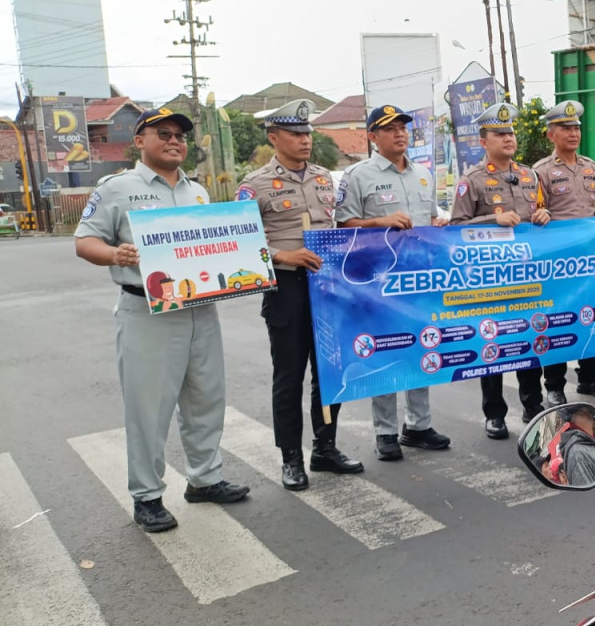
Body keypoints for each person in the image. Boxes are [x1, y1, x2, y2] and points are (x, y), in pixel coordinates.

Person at [74, 107, 249, 533]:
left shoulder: (200, 193)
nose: (175, 141)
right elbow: (84, 241)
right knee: (149, 407)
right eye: (164, 134)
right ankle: (147, 496)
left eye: (181, 136)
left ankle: (204, 479)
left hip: (200, 310)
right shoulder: (117, 189)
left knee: (206, 398)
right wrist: (115, 254)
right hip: (147, 311)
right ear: (140, 141)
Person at [238, 99, 364, 491]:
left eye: (307, 133)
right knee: (290, 376)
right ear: (274, 137)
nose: (304, 140)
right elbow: (240, 241)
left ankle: (324, 447)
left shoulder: (326, 178)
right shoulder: (254, 184)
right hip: (287, 287)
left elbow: (342, 225)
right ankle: (290, 456)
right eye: (295, 134)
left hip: (328, 288)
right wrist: (281, 255)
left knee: (331, 371)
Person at [335, 104, 451, 461]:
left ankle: (418, 425)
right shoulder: (358, 175)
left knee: (422, 346)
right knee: (383, 351)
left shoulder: (423, 175)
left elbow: (430, 216)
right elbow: (342, 226)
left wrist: (439, 225)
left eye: (403, 127)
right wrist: (379, 222)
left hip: (419, 278)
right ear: (372, 136)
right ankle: (385, 431)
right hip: (378, 281)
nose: (400, 133)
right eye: (390, 128)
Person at [449, 101, 552, 439]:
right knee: (491, 344)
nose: (508, 138)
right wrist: (493, 219)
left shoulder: (528, 175)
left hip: (526, 274)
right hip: (490, 278)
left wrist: (543, 215)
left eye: (510, 132)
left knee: (530, 338)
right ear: (483, 141)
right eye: (499, 133)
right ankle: (494, 413)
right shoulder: (472, 180)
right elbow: (457, 227)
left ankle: (533, 404)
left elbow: (540, 210)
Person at [531, 99, 595, 405]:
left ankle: (589, 377)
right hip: (558, 263)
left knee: (589, 317)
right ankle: (554, 384)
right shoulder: (540, 172)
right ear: (551, 134)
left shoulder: (591, 167)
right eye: (565, 127)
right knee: (557, 321)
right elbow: (535, 214)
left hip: (589, 260)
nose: (573, 133)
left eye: (576, 127)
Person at [542, 407, 595, 486]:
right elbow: (587, 492)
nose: (593, 416)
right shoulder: (576, 452)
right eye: (587, 412)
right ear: (574, 417)